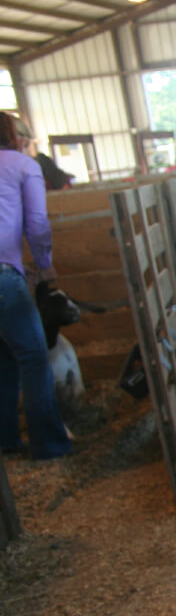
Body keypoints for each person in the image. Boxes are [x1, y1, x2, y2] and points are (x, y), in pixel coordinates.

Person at [0, 113, 72, 460]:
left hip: (7, 270)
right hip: (2, 276)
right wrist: (44, 265)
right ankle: (49, 444)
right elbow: (37, 222)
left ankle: (6, 438)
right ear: (14, 137)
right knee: (32, 356)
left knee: (3, 359)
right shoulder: (22, 165)